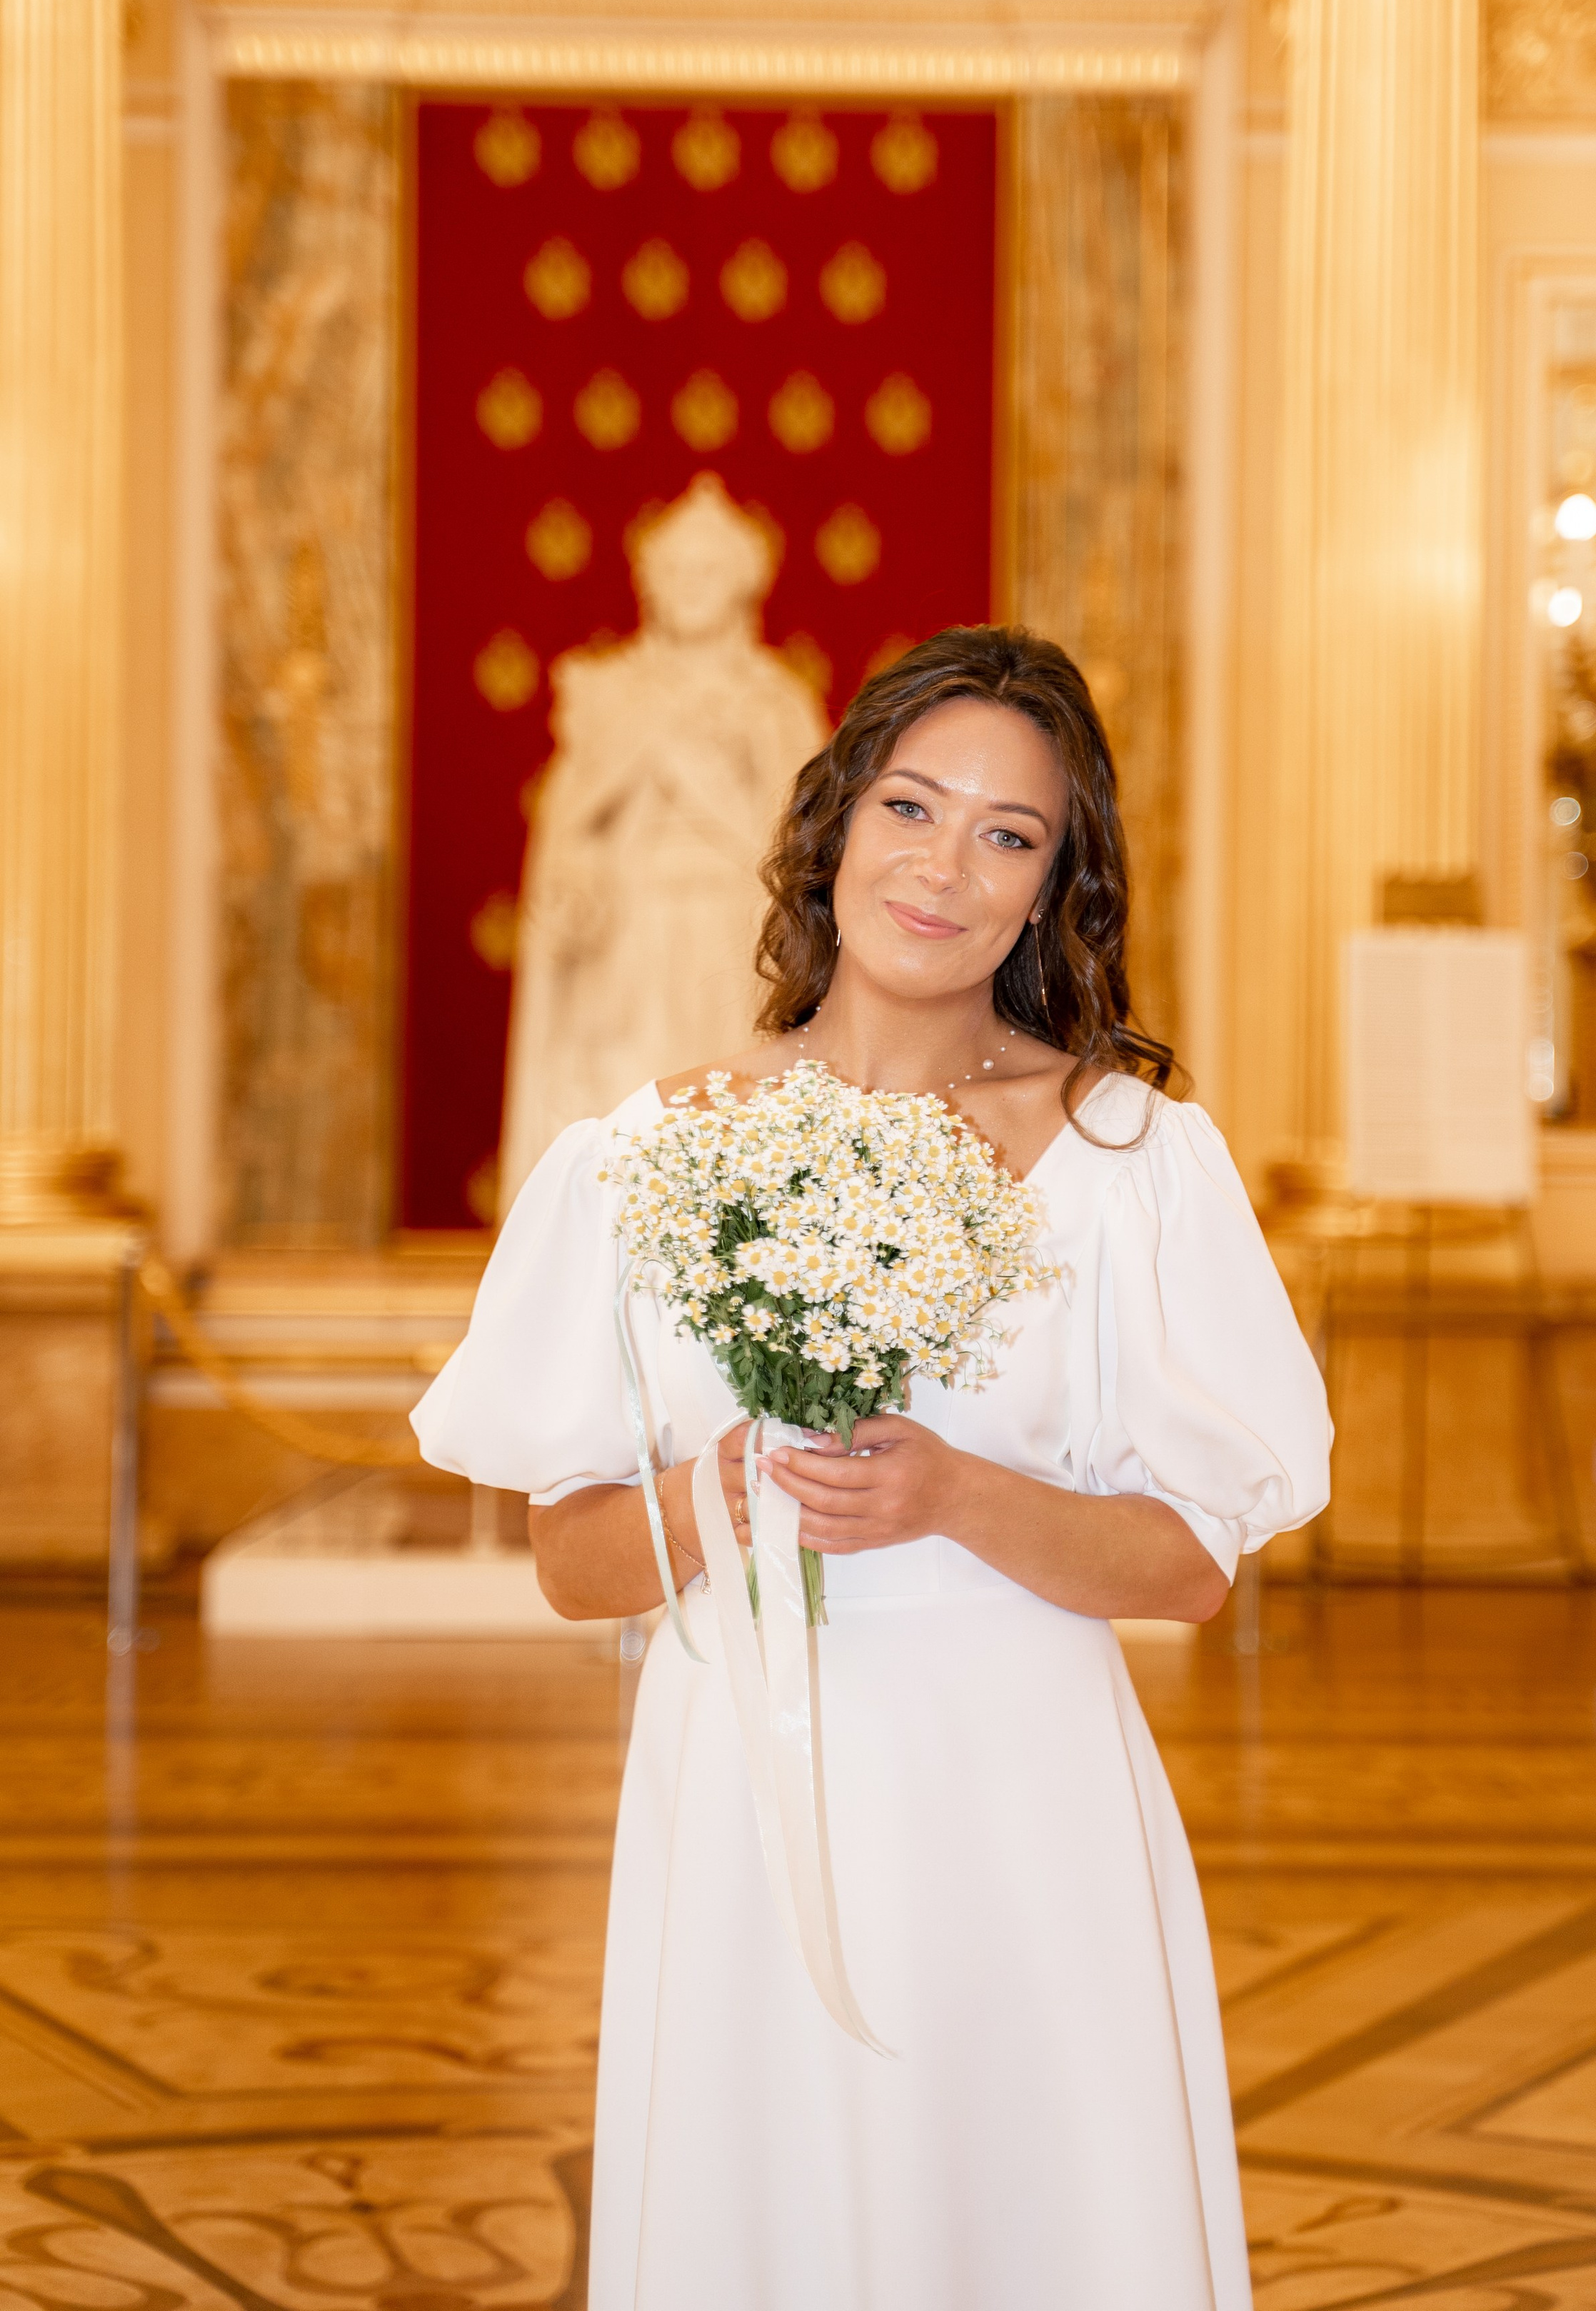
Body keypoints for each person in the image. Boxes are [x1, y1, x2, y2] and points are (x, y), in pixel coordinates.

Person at [414, 624, 1332, 2310]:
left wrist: (948, 1493)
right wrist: (725, 1490)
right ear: (833, 822)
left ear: (1054, 888)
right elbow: (568, 1561)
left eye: (1008, 834)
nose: (944, 865)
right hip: (747, 1798)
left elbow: (1190, 1566)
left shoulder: (1131, 1160)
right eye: (911, 805)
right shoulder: (646, 1153)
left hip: (1024, 1800)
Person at [497, 470, 826, 1207]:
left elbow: (803, 833)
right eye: (674, 569)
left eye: (707, 570)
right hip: (629, 935)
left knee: (729, 1103)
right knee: (626, 1109)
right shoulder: (604, 688)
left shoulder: (776, 699)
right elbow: (571, 819)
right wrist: (574, 878)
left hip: (734, 930)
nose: (689, 584)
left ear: (744, 582)